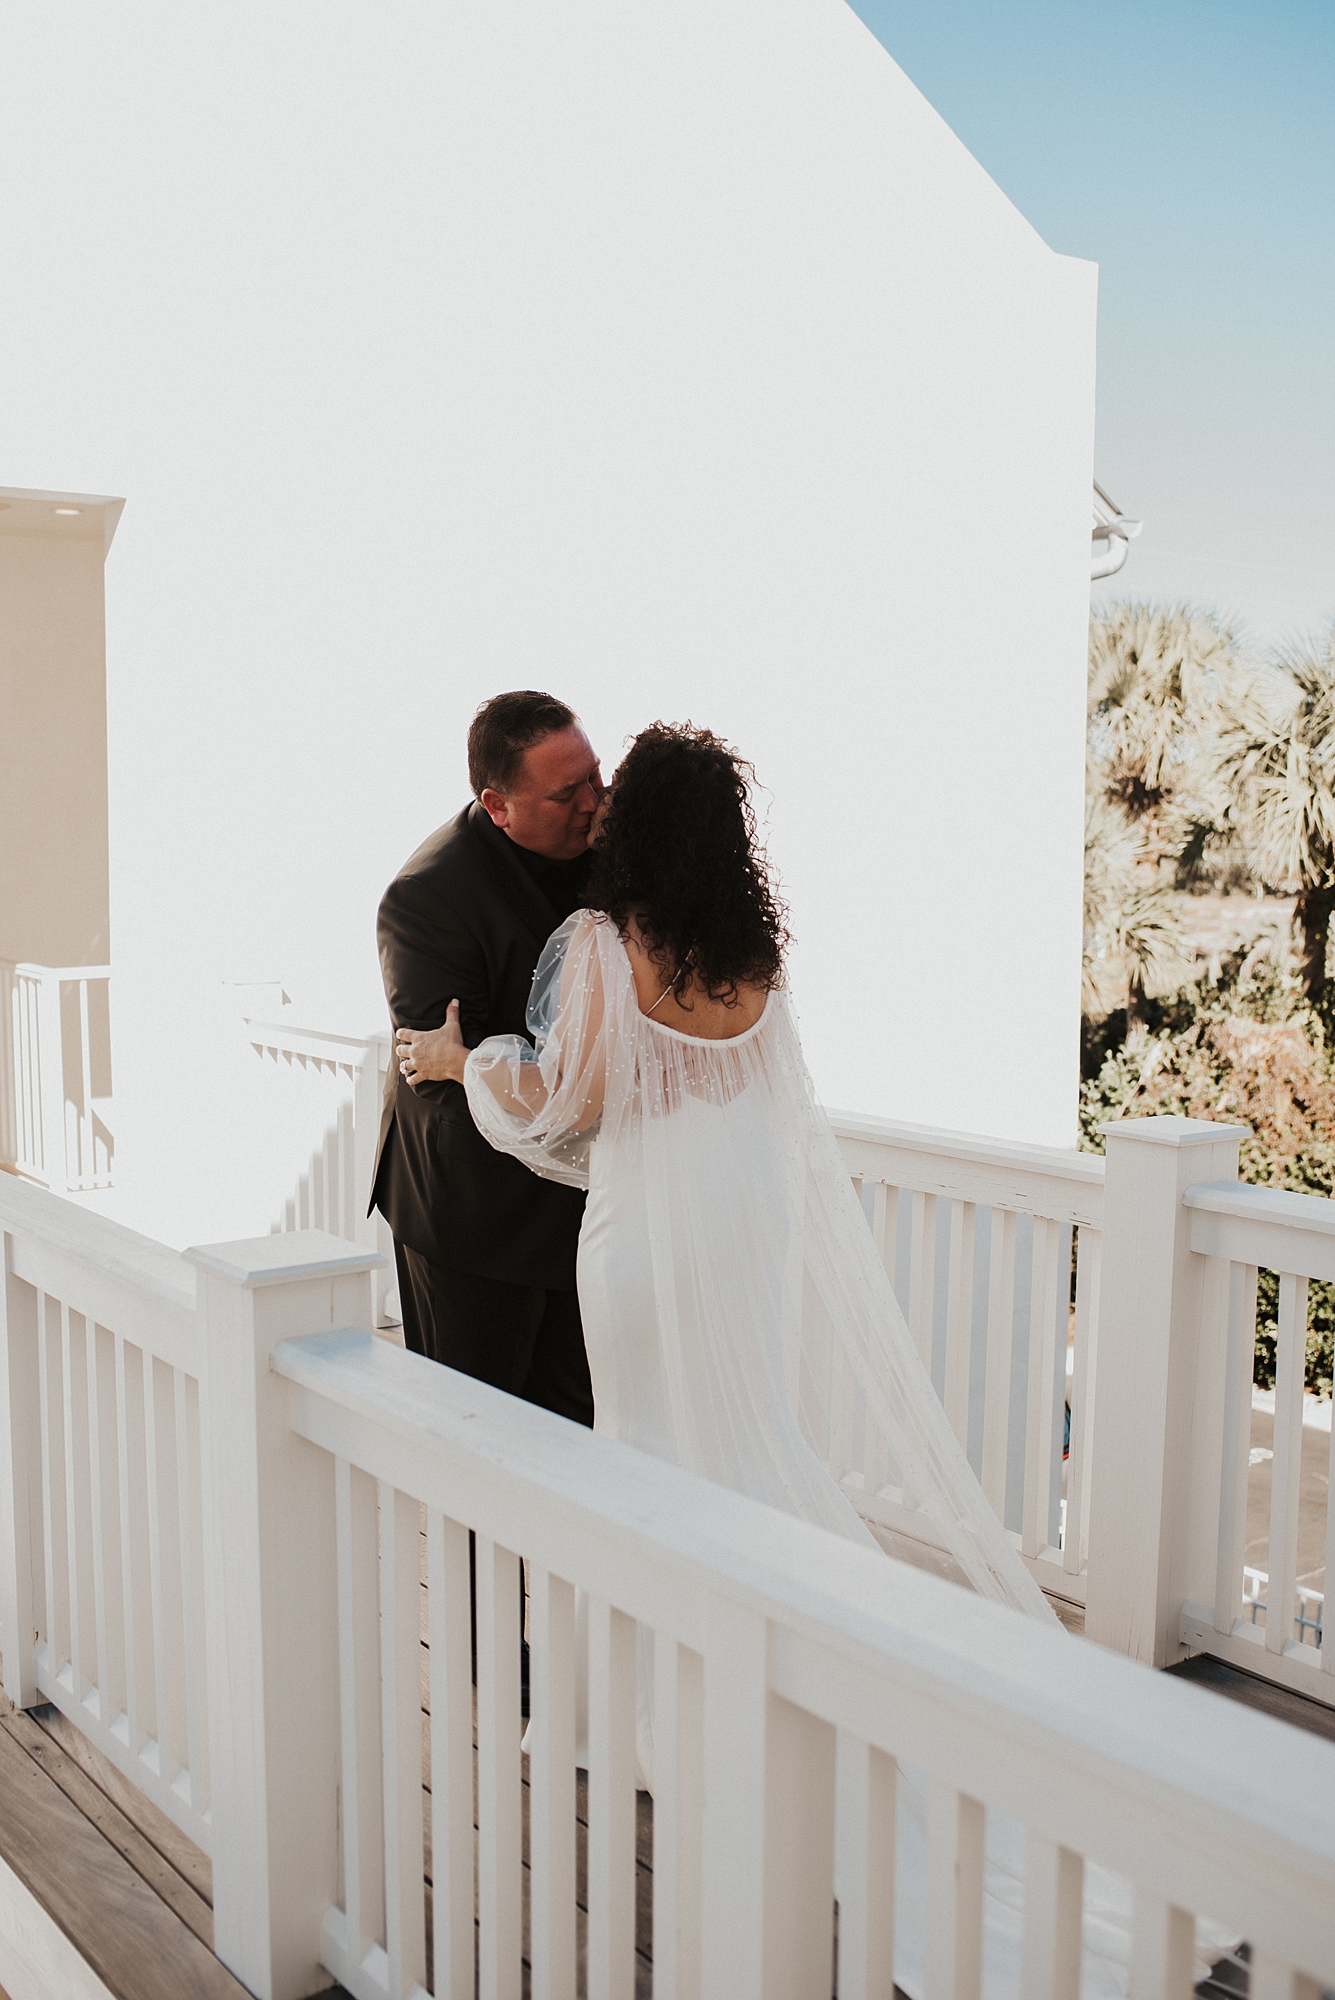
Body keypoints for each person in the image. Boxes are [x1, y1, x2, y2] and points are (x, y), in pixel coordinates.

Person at [395, 720, 1052, 1619]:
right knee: (742, 1431)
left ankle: (647, 1682)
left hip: (645, 1224)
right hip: (742, 1216)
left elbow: (570, 1098)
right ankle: (765, 1646)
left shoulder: (602, 940)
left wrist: (458, 1061)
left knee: (641, 1444)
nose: (598, 804)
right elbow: (720, 1078)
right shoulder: (751, 949)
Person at [369, 690, 602, 1427]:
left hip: (588, 1206)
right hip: (472, 1216)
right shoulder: (426, 897)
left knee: (579, 1433)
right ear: (498, 806)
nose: (595, 802)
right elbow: (432, 1071)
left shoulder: (608, 846)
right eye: (568, 792)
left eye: (597, 776)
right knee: (477, 1433)